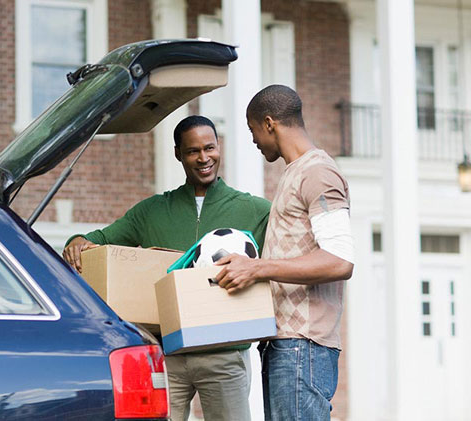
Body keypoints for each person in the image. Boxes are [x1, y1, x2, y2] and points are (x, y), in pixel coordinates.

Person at [63, 115, 271, 421]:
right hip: (166, 354)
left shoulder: (255, 210)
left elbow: (278, 266)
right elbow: (97, 241)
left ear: (219, 147)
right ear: (178, 154)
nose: (203, 158)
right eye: (192, 151)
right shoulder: (152, 211)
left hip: (224, 354)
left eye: (210, 148)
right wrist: (76, 242)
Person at [213, 85, 354, 420]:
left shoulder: (318, 172)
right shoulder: (297, 172)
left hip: (302, 347)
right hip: (286, 346)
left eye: (252, 131)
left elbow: (340, 260)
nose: (253, 140)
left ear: (270, 123)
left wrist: (257, 268)